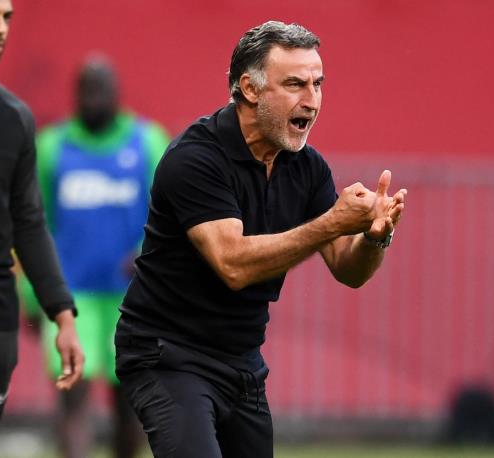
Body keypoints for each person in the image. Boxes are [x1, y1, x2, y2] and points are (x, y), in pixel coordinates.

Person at [114, 20, 407, 458]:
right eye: (294, 84)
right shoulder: (195, 158)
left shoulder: (307, 167)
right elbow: (233, 264)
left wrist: (373, 239)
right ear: (250, 89)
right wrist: (332, 222)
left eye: (317, 84)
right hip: (168, 355)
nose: (312, 100)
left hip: (242, 361)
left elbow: (349, 270)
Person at [19, 55, 170, 458]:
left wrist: (148, 253)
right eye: (86, 89)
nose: (93, 98)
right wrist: (33, 294)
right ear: (75, 93)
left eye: (101, 88)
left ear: (117, 92)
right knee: (73, 394)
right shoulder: (52, 147)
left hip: (132, 298)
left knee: (130, 403)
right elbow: (33, 223)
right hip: (73, 298)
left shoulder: (147, 142)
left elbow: (172, 213)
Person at [0, 0, 84, 456]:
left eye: (7, 18)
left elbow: (29, 222)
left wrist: (62, 315)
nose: (1, 28)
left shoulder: (13, 117)